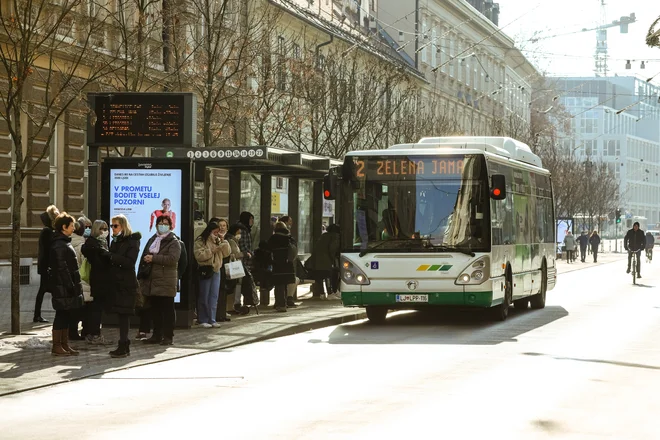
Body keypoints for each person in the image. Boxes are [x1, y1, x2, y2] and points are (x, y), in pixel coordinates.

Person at [138, 215, 181, 346]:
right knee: (155, 310)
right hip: (152, 281)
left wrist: (154, 258)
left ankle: (168, 336)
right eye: (161, 223)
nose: (163, 225)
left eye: (166, 223)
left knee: (167, 310)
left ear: (170, 225)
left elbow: (173, 259)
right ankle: (157, 335)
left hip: (166, 281)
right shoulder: (153, 239)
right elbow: (145, 254)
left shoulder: (174, 242)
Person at [48, 212, 84, 356]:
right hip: (62, 286)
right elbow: (62, 268)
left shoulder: (64, 242)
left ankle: (64, 344)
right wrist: (70, 286)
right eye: (71, 226)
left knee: (66, 314)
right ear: (64, 227)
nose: (73, 228)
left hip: (66, 286)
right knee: (61, 315)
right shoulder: (59, 245)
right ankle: (57, 346)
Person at [107, 214, 141, 358]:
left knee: (124, 314)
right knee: (121, 314)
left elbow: (129, 262)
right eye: (112, 226)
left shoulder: (132, 241)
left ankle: (124, 344)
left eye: (116, 226)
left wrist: (111, 257)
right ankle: (123, 344)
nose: (113, 229)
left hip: (127, 283)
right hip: (117, 282)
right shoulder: (116, 241)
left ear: (123, 226)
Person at [81, 220, 114, 345]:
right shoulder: (95, 245)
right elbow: (100, 263)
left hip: (99, 279)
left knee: (95, 307)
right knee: (96, 308)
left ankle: (91, 333)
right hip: (99, 280)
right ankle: (94, 334)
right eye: (102, 229)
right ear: (96, 230)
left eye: (106, 228)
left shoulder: (100, 243)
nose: (105, 231)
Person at [193, 221, 230, 328]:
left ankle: (212, 318)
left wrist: (224, 241)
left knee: (214, 296)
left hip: (216, 269)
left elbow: (227, 253)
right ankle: (203, 319)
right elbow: (199, 255)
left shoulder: (218, 240)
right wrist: (212, 251)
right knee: (204, 294)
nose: (216, 234)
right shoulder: (201, 240)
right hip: (206, 269)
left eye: (217, 232)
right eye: (215, 232)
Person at [34, 204, 59, 323]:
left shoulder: (48, 231)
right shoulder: (48, 232)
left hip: (45, 265)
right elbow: (49, 250)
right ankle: (39, 315)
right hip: (47, 266)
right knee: (47, 289)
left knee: (44, 290)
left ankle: (37, 315)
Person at [69, 216, 92, 340]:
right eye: (86, 227)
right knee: (83, 308)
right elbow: (85, 264)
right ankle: (80, 332)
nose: (88, 229)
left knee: (75, 308)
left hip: (73, 280)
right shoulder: (81, 245)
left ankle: (71, 331)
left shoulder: (69, 241)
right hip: (83, 280)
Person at [267, 222, 297, 312]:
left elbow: (268, 250)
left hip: (278, 263)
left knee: (279, 284)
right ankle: (284, 302)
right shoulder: (289, 237)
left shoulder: (274, 238)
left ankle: (281, 304)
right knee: (284, 284)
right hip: (288, 264)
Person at [305, 224, 341, 300]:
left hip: (316, 259)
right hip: (326, 259)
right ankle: (330, 293)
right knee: (327, 275)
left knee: (320, 277)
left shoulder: (323, 236)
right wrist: (333, 258)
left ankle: (322, 294)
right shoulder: (335, 236)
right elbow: (332, 248)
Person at [225, 223, 247, 313]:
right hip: (233, 266)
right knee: (232, 286)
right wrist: (243, 254)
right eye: (238, 231)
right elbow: (232, 254)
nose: (240, 233)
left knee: (235, 286)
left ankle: (232, 305)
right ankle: (230, 307)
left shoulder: (233, 240)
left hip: (235, 266)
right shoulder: (230, 241)